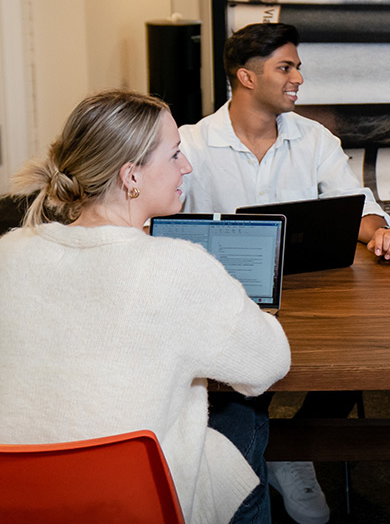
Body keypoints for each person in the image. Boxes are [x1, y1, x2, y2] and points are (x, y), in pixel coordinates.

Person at [0, 90, 291, 524]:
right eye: (175, 155)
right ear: (130, 175)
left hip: (18, 496)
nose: (186, 167)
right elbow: (268, 363)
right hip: (134, 502)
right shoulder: (178, 267)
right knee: (246, 411)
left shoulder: (10, 253)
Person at [179, 22, 390, 524]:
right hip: (225, 308)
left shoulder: (314, 137)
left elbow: (355, 205)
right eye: (286, 67)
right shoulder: (189, 146)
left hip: (310, 297)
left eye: (298, 66)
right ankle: (256, 468)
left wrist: (377, 233)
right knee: (242, 394)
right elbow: (159, 224)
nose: (298, 77)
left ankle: (290, 451)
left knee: (355, 361)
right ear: (246, 77)